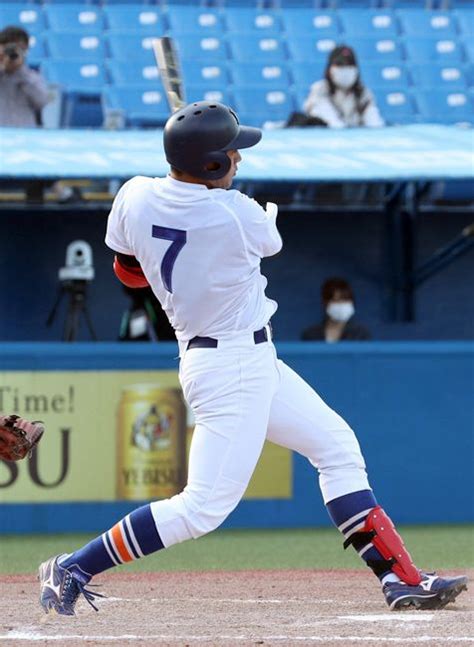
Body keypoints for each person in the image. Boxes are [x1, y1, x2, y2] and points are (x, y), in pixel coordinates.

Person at [38, 101, 466, 616]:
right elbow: (259, 235)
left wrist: (184, 176)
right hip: (231, 367)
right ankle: (73, 566)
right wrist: (203, 191)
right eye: (232, 153)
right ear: (213, 165)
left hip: (244, 359)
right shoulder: (238, 216)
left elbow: (129, 273)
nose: (239, 159)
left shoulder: (133, 195)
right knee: (201, 509)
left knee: (337, 448)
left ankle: (401, 579)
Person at [0, 25, 81, 203]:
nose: (13, 52)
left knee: (39, 165)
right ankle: (63, 192)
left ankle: (41, 211)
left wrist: (19, 72)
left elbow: (42, 100)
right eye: (8, 47)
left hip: (26, 140)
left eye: (19, 48)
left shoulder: (30, 76)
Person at [303, 45, 384, 129]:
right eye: (340, 65)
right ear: (330, 69)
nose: (345, 69)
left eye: (349, 65)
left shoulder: (363, 93)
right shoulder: (320, 89)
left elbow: (374, 122)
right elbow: (328, 118)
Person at [302, 277, 371, 342]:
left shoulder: (361, 335)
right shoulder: (310, 335)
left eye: (345, 300)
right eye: (336, 301)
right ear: (325, 303)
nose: (341, 304)